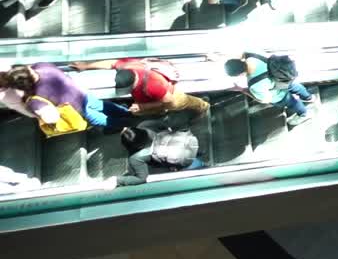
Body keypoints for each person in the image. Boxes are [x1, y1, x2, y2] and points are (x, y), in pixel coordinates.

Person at [2, 62, 130, 130]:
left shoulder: (35, 100)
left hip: (78, 110)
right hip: (82, 93)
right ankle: (128, 112)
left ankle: (127, 125)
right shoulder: (42, 65)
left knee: (100, 119)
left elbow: (51, 118)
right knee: (103, 105)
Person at [68, 58, 208, 118]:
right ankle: (159, 113)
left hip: (169, 95)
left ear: (134, 84)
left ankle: (203, 106)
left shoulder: (153, 85)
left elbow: (168, 100)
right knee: (138, 113)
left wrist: (143, 106)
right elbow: (110, 63)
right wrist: (86, 66)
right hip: (148, 99)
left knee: (181, 102)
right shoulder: (127, 66)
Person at [225, 53, 313, 127]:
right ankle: (308, 97)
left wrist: (242, 90)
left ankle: (304, 114)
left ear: (239, 74)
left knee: (291, 102)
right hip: (285, 73)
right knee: (295, 86)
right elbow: (244, 53)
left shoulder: (254, 84)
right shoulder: (251, 54)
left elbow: (265, 100)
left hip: (278, 92)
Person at [115, 123, 204, 186]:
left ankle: (201, 163)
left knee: (192, 164)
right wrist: (167, 130)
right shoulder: (145, 126)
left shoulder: (135, 158)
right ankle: (199, 154)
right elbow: (162, 124)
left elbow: (141, 178)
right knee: (189, 152)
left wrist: (118, 180)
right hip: (182, 144)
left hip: (177, 161)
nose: (124, 127)